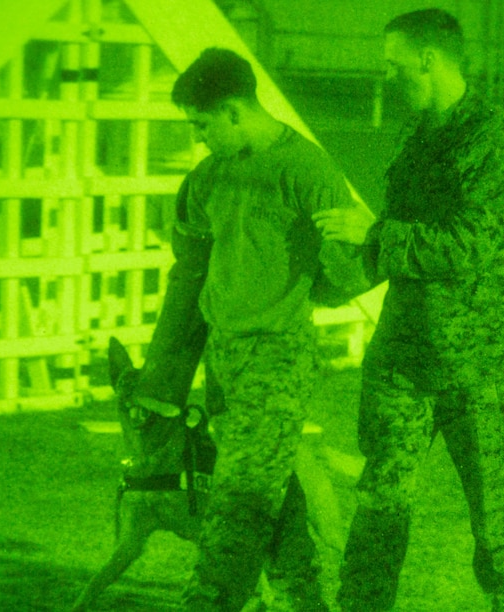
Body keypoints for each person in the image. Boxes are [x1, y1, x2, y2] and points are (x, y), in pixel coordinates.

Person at [312, 9, 504, 612]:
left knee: (497, 518)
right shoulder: (417, 138)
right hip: (404, 358)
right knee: (380, 503)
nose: (388, 77)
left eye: (395, 65)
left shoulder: (496, 141)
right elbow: (392, 250)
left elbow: (467, 247)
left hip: (480, 368)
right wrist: (328, 278)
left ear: (430, 61)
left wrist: (375, 234)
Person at [129, 47, 369, 612]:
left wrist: (358, 248)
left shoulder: (307, 170)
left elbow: (349, 273)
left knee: (237, 502)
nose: (198, 137)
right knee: (270, 495)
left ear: (235, 111)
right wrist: (161, 381)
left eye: (202, 124)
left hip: (278, 357)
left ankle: (206, 602)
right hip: (224, 360)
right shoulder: (207, 177)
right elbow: (188, 274)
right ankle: (303, 601)